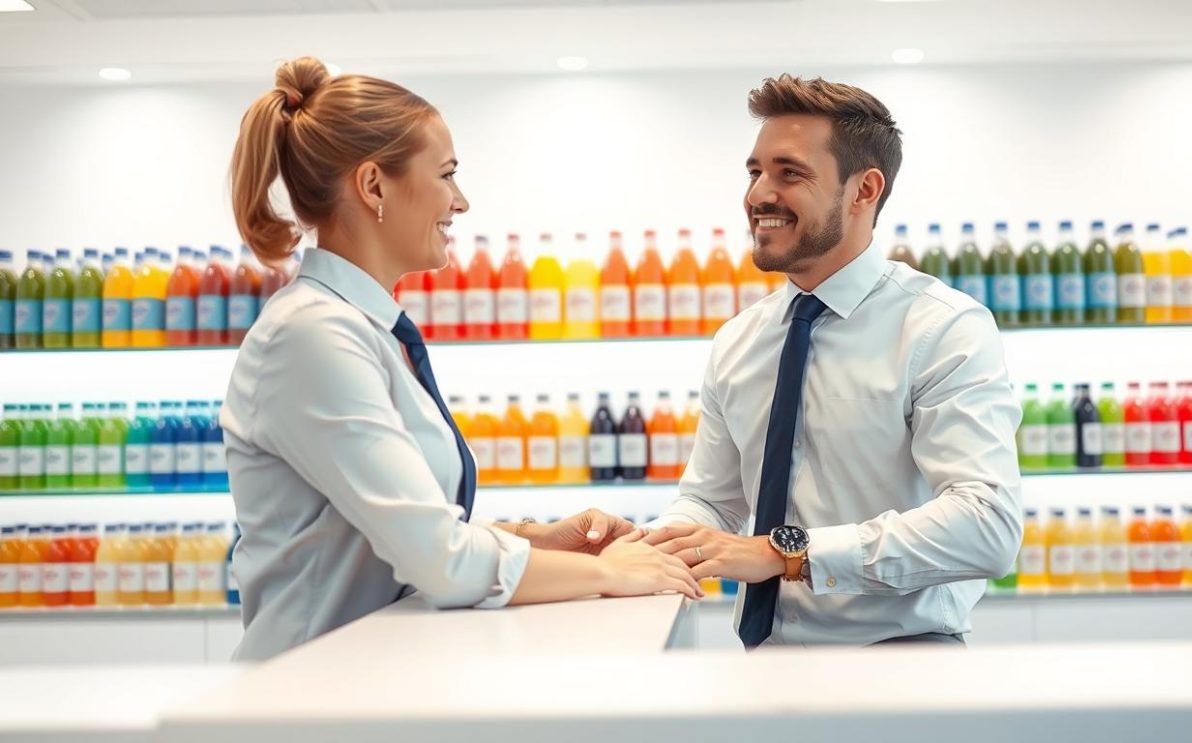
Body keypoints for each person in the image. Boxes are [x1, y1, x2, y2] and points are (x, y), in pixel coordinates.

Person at [223, 57, 701, 661]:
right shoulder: (312, 337)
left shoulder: (362, 330)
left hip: (368, 674)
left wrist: (538, 540)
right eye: (447, 175)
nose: (462, 201)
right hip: (308, 688)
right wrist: (610, 572)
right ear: (373, 186)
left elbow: (399, 536)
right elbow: (440, 560)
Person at [646, 75, 1022, 648]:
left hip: (904, 667)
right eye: (754, 172)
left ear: (863, 190)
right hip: (763, 665)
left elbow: (986, 527)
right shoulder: (740, 339)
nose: (757, 195)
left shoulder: (943, 328)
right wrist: (650, 543)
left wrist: (784, 554)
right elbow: (713, 499)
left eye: (788, 173)